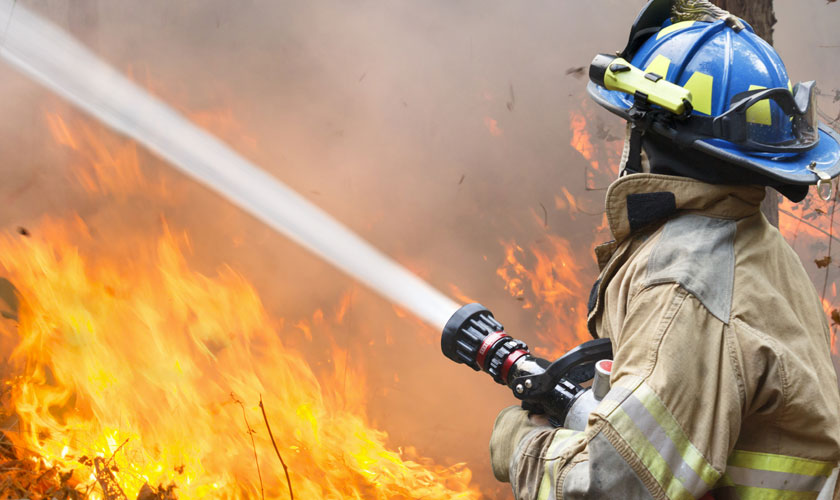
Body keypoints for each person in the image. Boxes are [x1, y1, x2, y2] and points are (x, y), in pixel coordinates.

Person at [488, 0, 840, 498]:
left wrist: (520, 445)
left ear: (649, 136)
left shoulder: (685, 287)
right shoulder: (752, 243)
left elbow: (611, 488)